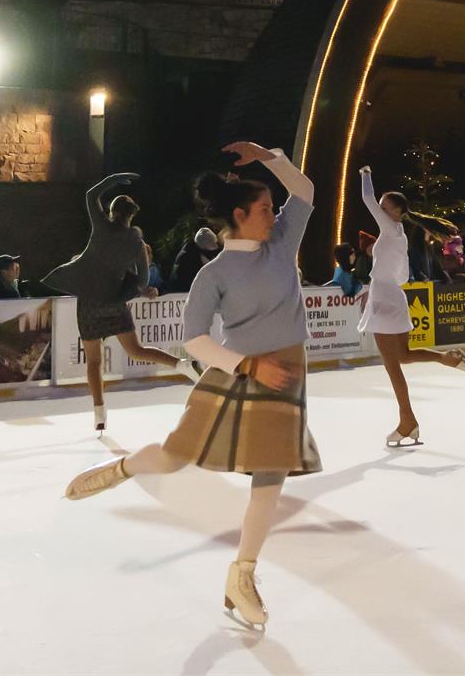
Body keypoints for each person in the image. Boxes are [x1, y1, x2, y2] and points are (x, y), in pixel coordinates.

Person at [64, 142, 322, 631]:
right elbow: (196, 342)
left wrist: (269, 157)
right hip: (234, 372)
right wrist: (247, 365)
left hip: (286, 371)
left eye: (273, 207)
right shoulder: (214, 274)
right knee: (173, 456)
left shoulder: (283, 241)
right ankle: (123, 466)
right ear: (241, 215)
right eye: (266, 209)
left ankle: (241, 576)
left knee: (271, 476)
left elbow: (305, 189)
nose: (275, 214)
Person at [43, 173, 180, 433]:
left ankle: (99, 413)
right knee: (137, 350)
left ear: (111, 211)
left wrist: (116, 179)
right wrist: (130, 294)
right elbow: (141, 280)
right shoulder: (135, 243)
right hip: (114, 301)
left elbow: (89, 195)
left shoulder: (101, 228)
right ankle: (182, 365)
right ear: (132, 217)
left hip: (90, 303)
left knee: (94, 362)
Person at [356, 167, 465, 447]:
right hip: (393, 297)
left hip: (386, 299)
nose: (379, 209)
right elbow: (399, 275)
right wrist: (375, 288)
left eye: (384, 207)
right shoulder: (398, 233)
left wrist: (365, 173)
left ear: (396, 212)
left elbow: (366, 198)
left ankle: (407, 420)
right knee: (403, 355)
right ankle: (447, 358)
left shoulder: (390, 228)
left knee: (393, 366)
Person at [167, 227, 220, 293]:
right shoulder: (186, 259)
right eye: (209, 253)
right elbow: (183, 284)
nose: (213, 257)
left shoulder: (196, 254)